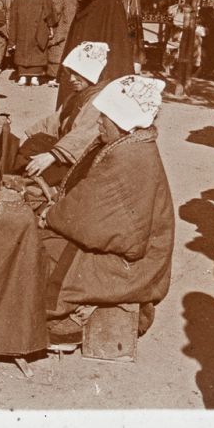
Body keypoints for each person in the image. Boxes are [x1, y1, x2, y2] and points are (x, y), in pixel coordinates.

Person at [38, 75, 176, 353]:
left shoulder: (131, 157)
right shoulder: (129, 144)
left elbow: (99, 221)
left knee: (47, 254)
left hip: (135, 264)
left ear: (122, 121)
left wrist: (51, 215)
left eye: (104, 117)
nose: (99, 122)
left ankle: (67, 319)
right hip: (127, 248)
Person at [15, 40, 112, 188]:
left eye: (78, 74)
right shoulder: (78, 95)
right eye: (71, 73)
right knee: (30, 144)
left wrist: (52, 156)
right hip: (66, 149)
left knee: (32, 164)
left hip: (81, 158)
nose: (71, 79)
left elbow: (84, 134)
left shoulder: (100, 99)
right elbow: (55, 120)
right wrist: (29, 133)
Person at [61, 0, 135, 111]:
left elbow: (119, 49)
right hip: (78, 74)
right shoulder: (86, 3)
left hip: (98, 78)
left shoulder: (111, 5)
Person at [8, 0, 54, 86]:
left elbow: (13, 18)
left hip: (22, 30)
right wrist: (51, 27)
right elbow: (50, 15)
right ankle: (35, 77)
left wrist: (12, 38)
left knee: (23, 49)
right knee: (37, 49)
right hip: (39, 29)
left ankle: (23, 76)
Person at [44, 0, 75, 86]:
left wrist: (49, 24)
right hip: (72, 27)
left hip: (61, 27)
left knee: (57, 51)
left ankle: (55, 76)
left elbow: (55, 14)